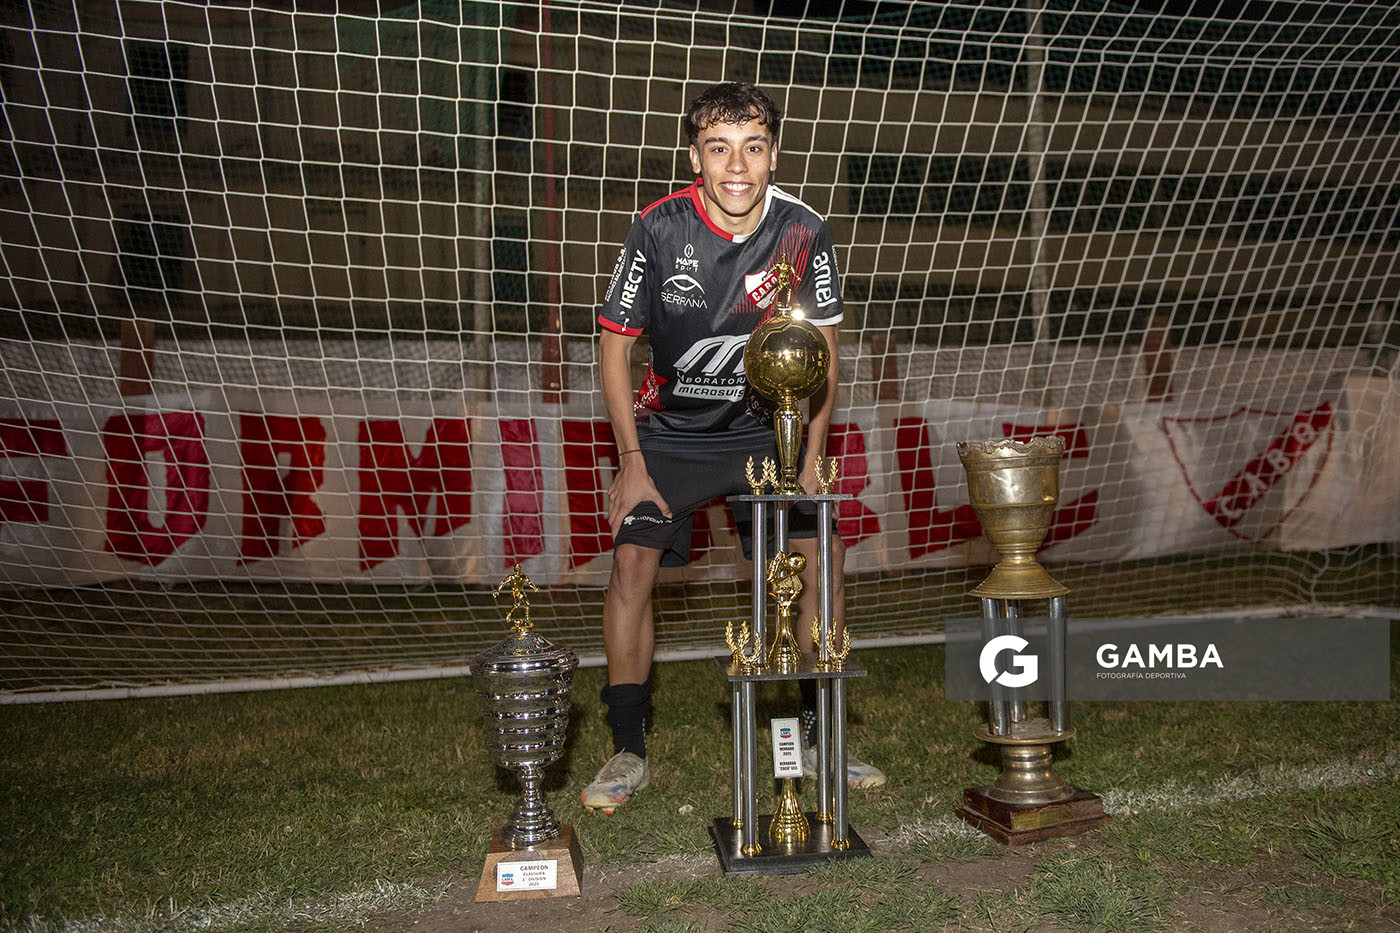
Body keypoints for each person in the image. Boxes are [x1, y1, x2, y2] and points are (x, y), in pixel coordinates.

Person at [583, 81, 885, 814]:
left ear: (773, 154)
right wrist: (630, 461)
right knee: (631, 563)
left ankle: (819, 736)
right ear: (697, 156)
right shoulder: (657, 230)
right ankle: (627, 748)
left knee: (823, 561)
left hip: (768, 428)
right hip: (673, 435)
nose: (737, 165)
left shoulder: (803, 230)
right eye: (720, 148)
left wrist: (811, 449)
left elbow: (825, 352)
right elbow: (612, 349)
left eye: (753, 147)